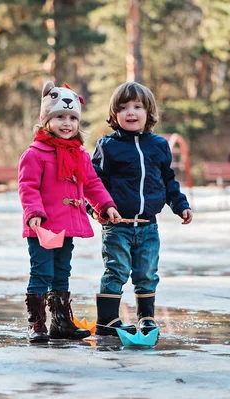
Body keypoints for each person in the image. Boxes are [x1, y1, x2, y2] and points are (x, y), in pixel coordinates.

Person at [18, 81, 122, 343]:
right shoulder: (35, 154)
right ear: (46, 121)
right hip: (42, 227)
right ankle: (37, 323)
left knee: (62, 271)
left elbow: (92, 184)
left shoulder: (80, 155)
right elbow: (27, 186)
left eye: (72, 118)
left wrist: (106, 205)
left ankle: (61, 322)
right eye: (60, 117)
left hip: (66, 226)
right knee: (42, 271)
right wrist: (34, 212)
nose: (67, 123)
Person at [90, 82, 193, 337]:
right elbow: (93, 182)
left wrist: (180, 205)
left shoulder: (158, 145)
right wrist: (96, 209)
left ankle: (146, 317)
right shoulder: (108, 146)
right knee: (116, 269)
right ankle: (107, 320)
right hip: (117, 225)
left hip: (148, 225)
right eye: (123, 108)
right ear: (115, 115)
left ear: (149, 113)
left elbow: (168, 181)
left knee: (147, 272)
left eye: (137, 107)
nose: (130, 112)